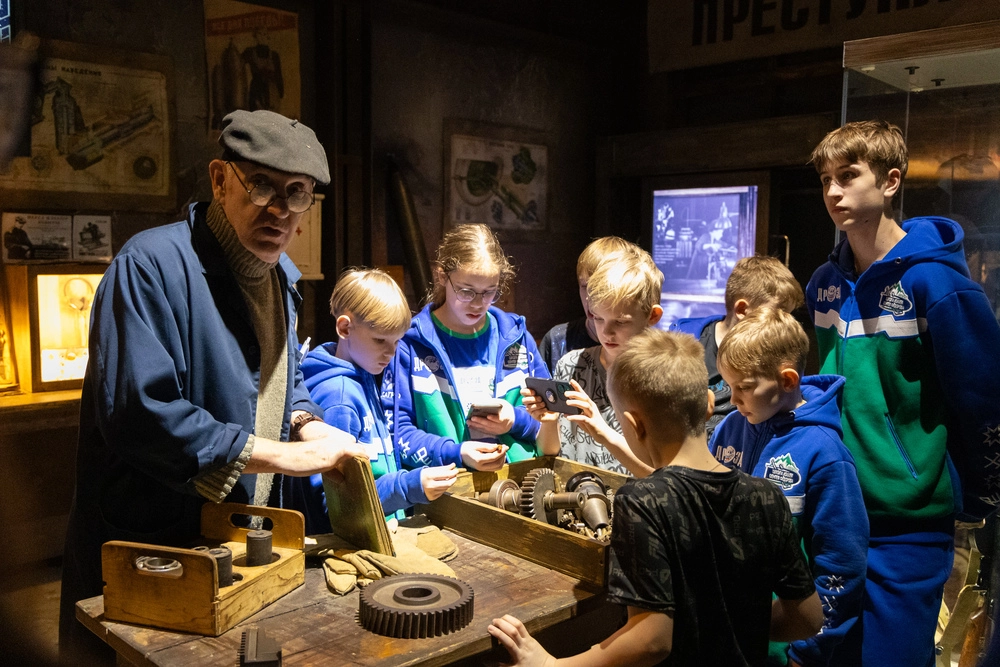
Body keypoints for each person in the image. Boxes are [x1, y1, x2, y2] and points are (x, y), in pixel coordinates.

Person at [59, 110, 365, 663]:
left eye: (297, 193)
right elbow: (141, 412)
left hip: (240, 541)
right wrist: (283, 457)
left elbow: (281, 376)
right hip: (154, 547)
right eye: (262, 185)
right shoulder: (149, 266)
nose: (279, 210)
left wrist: (306, 422)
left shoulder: (279, 278)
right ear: (220, 180)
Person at [490, 328, 823, 666]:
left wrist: (552, 665)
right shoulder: (766, 496)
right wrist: (730, 626)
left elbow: (651, 641)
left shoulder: (642, 501)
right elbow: (807, 617)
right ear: (709, 405)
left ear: (634, 425)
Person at [806, 119, 1000, 666]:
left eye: (848, 175)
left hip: (907, 524)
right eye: (825, 179)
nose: (833, 191)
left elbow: (984, 402)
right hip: (831, 507)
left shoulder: (937, 284)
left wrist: (978, 499)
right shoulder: (823, 283)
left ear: (891, 181)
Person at [709, 307, 868, 666]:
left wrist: (808, 652)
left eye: (744, 388)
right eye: (728, 387)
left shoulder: (825, 454)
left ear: (787, 380)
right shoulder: (729, 429)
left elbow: (841, 564)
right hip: (723, 633)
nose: (733, 400)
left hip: (782, 648)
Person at [286, 268, 458, 534]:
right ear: (345, 328)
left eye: (397, 342)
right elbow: (335, 505)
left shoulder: (364, 376)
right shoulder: (339, 398)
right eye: (380, 340)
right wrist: (407, 487)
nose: (391, 353)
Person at [382, 223, 555, 472]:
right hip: (450, 485)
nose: (477, 303)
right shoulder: (410, 344)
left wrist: (514, 420)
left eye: (489, 292)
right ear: (442, 276)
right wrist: (456, 453)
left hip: (520, 480)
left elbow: (550, 417)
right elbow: (396, 434)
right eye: (466, 291)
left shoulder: (516, 338)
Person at [528, 247, 663, 477]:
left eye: (620, 322)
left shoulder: (664, 377)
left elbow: (663, 475)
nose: (606, 332)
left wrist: (603, 432)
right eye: (598, 318)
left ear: (652, 316)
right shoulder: (571, 364)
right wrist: (549, 422)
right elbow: (548, 453)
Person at [672, 254, 804, 438]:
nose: (783, 323)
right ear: (742, 310)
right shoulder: (685, 345)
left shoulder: (779, 357)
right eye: (778, 313)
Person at [538, 236, 634, 372]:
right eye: (585, 286)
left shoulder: (646, 348)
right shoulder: (556, 339)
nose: (590, 297)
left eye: (601, 289)